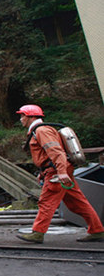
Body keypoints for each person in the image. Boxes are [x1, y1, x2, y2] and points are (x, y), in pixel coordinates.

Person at [15, 104, 104, 243]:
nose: (21, 119)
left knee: (46, 202)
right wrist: (43, 172)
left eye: (22, 115)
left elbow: (56, 152)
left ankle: (38, 233)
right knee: (78, 203)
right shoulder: (40, 131)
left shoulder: (42, 131)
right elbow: (47, 155)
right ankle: (97, 230)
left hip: (56, 172)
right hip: (55, 170)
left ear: (31, 117)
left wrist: (61, 172)